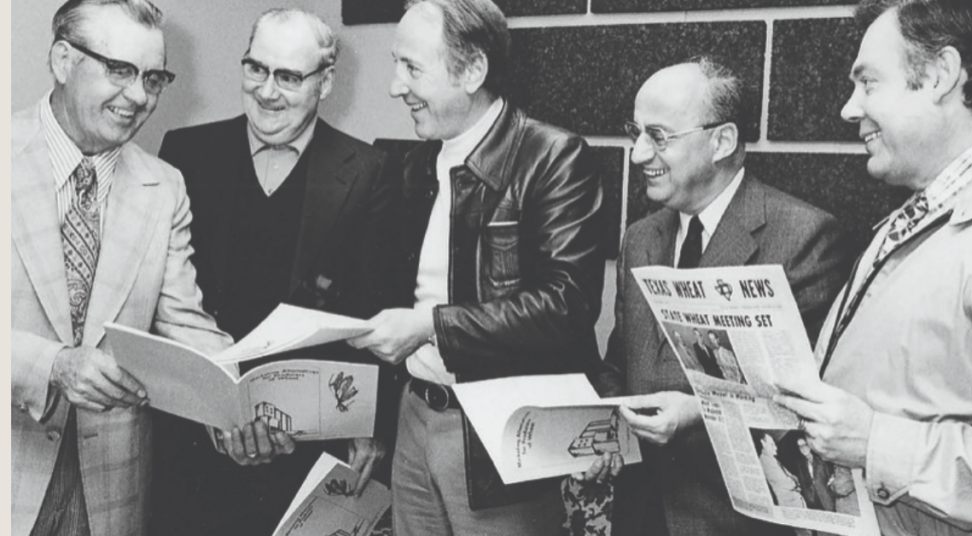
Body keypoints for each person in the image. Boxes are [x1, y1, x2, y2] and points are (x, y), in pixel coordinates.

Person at [11, 1, 285, 535]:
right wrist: (52, 365)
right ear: (63, 60)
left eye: (152, 78)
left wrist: (240, 403)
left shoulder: (164, 186)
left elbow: (184, 324)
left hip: (111, 493)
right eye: (119, 70)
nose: (139, 96)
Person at [346, 0, 605, 533]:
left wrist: (430, 326)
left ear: (473, 71)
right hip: (415, 417)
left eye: (412, 68)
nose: (395, 86)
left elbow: (567, 305)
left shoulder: (553, 157)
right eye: (396, 64)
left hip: (499, 438)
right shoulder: (415, 164)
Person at [775, 0, 972, 534]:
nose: (849, 109)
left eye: (867, 83)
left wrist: (874, 443)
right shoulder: (929, 208)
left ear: (940, 75)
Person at [150, 8, 400, 536]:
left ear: (325, 82)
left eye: (288, 76)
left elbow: (377, 311)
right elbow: (162, 305)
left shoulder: (370, 172)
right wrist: (217, 411)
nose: (266, 92)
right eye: (256, 69)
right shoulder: (184, 154)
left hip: (309, 449)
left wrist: (371, 424)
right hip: (194, 443)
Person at [586, 58, 852, 536]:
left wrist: (695, 414)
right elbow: (619, 364)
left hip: (733, 521)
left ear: (722, 141)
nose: (639, 154)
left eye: (658, 136)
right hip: (641, 513)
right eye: (635, 133)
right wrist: (606, 428)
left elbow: (806, 406)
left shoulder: (803, 237)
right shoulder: (641, 239)